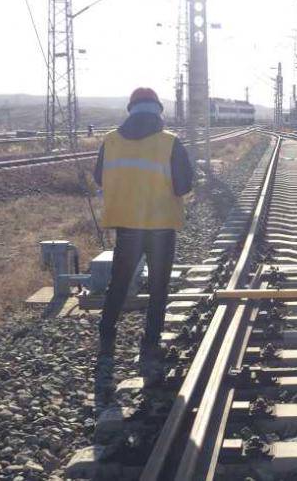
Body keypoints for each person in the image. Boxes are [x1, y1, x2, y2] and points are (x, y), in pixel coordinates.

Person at [93, 87, 194, 385]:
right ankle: (150, 346)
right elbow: (182, 187)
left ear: (131, 109)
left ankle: (107, 345)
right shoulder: (170, 143)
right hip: (161, 227)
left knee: (119, 285)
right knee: (159, 288)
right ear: (158, 111)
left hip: (127, 226)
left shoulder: (110, 141)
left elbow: (100, 178)